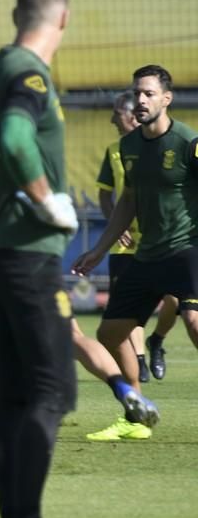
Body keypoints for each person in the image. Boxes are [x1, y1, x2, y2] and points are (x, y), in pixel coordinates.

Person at [0, 0, 155, 518]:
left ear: (17, 12)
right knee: (50, 390)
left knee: (15, 396)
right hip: (27, 255)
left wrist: (6, 193)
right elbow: (17, 135)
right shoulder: (30, 74)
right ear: (63, 19)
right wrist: (43, 196)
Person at [74, 64, 198, 439]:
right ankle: (135, 417)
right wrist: (98, 249)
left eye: (147, 93)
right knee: (110, 333)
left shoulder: (188, 142)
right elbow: (128, 200)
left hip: (185, 249)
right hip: (146, 256)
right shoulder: (128, 147)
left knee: (194, 322)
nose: (140, 100)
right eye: (137, 93)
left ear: (166, 98)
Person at [96, 90, 178, 383]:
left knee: (175, 300)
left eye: (117, 114)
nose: (112, 120)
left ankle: (157, 340)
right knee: (129, 306)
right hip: (125, 244)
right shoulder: (115, 149)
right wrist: (114, 228)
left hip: (165, 240)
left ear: (132, 114)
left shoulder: (170, 143)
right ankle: (139, 360)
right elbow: (107, 196)